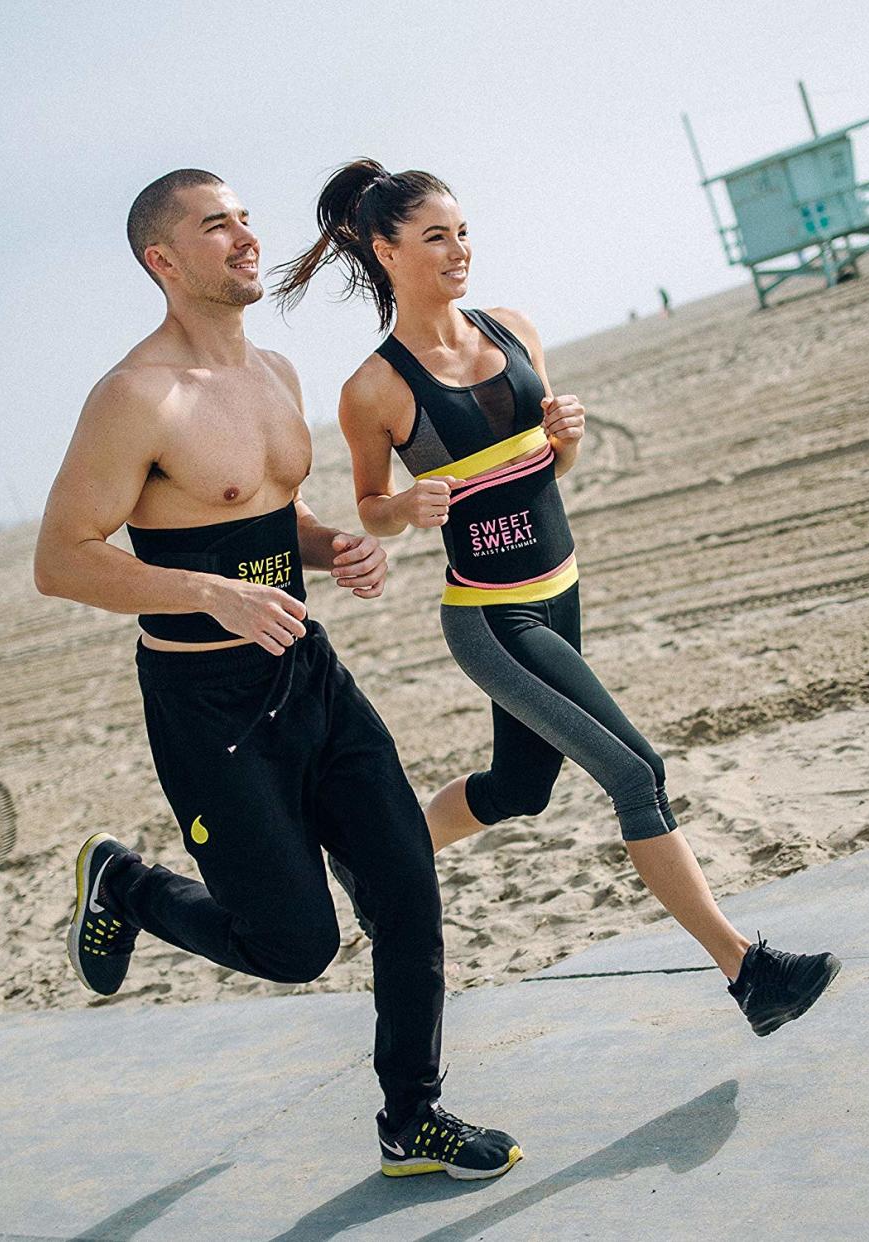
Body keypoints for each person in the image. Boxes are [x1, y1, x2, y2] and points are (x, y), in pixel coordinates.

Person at [272, 160, 841, 1039]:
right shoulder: (374, 389)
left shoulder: (514, 330)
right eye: (434, 238)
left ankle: (375, 862)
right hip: (492, 619)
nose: (459, 251)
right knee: (635, 772)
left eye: (462, 232)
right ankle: (749, 973)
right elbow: (374, 509)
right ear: (385, 251)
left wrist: (566, 441)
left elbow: (549, 467)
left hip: (562, 592)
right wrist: (403, 511)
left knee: (518, 789)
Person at [33, 169, 520, 1181]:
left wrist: (331, 542)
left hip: (310, 675)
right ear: (163, 261)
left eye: (247, 218)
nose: (246, 237)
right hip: (208, 704)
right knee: (295, 946)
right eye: (217, 226)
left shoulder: (278, 374)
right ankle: (126, 885)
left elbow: (257, 519)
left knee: (406, 887)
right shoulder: (135, 396)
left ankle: (410, 1120)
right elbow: (64, 558)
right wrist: (208, 596)